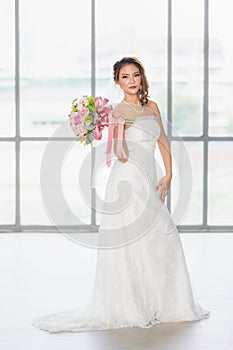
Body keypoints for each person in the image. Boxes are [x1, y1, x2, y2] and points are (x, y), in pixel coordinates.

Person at [32, 56, 210, 333]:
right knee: (133, 241)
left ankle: (166, 303)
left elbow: (162, 140)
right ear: (117, 81)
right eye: (125, 77)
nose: (131, 81)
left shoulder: (152, 107)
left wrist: (170, 173)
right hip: (127, 179)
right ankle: (133, 305)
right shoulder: (116, 111)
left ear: (142, 78)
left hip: (150, 178)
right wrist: (110, 129)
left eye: (135, 75)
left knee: (162, 236)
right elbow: (118, 153)